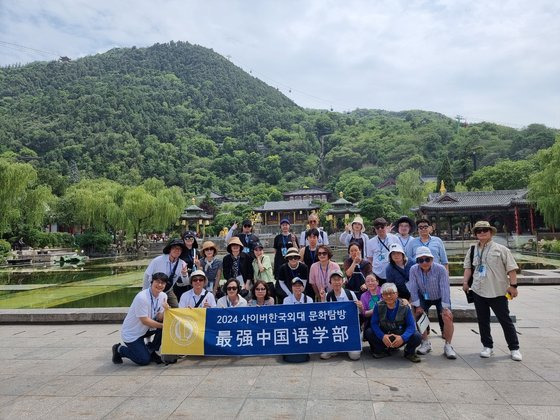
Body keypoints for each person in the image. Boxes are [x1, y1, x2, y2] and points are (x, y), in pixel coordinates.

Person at [462, 221, 522, 361]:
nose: (482, 232)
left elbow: (511, 269)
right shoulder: (472, 250)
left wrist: (513, 286)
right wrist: (465, 282)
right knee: (483, 320)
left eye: (485, 230)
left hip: (498, 291)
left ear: (491, 232)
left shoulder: (501, 249)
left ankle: (514, 348)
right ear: (475, 234)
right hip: (478, 290)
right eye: (479, 231)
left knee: (505, 320)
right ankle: (487, 346)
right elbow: (468, 268)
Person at [407, 246, 457, 359]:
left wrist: (445, 307)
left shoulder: (441, 269)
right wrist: (417, 305)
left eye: (427, 259)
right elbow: (413, 288)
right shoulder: (413, 269)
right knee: (418, 314)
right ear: (417, 261)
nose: (424, 262)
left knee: (447, 317)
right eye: (421, 260)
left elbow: (445, 288)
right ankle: (425, 342)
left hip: (439, 296)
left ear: (432, 259)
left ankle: (448, 345)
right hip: (424, 296)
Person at [112, 272, 169, 365]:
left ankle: (151, 350)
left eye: (163, 283)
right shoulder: (142, 297)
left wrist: (166, 310)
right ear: (151, 282)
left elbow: (159, 317)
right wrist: (164, 326)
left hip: (146, 329)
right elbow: (145, 320)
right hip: (133, 333)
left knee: (166, 324)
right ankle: (119, 349)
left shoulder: (163, 296)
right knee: (143, 360)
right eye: (157, 282)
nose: (160, 285)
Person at [364, 282, 422, 362]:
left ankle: (409, 352)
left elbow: (411, 326)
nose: (388, 296)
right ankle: (382, 350)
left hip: (400, 334)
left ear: (397, 294)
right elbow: (374, 323)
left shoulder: (405, 306)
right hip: (385, 334)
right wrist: (382, 336)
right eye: (385, 294)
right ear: (382, 296)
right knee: (369, 332)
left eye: (391, 293)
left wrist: (402, 337)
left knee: (417, 336)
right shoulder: (378, 306)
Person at [320, 270, 363, 360]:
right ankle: (336, 347)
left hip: (350, 330)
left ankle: (345, 346)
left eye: (338, 279)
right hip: (335, 330)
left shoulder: (350, 294)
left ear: (343, 281)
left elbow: (359, 313)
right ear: (330, 282)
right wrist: (322, 300)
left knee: (354, 356)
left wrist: (360, 306)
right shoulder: (328, 296)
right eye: (334, 280)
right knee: (324, 355)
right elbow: (324, 316)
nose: (336, 282)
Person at [142, 238, 188, 308]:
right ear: (170, 249)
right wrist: (145, 292)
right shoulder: (157, 260)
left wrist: (184, 274)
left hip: (168, 290)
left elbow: (185, 283)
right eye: (175, 248)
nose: (177, 251)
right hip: (155, 289)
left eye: (179, 249)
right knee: (154, 308)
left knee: (176, 307)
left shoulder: (182, 264)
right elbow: (147, 276)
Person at [282, 277, 312, 363]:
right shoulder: (286, 300)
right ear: (292, 288)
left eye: (299, 286)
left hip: (305, 327)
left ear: (303, 288)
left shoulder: (309, 299)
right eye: (295, 286)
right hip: (291, 327)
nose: (297, 288)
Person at [367, 217, 399, 285]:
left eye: (382, 227)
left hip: (392, 272)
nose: (380, 229)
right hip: (377, 274)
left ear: (386, 227)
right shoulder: (370, 242)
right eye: (377, 227)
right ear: (375, 229)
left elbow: (400, 254)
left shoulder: (394, 238)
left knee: (391, 293)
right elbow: (370, 258)